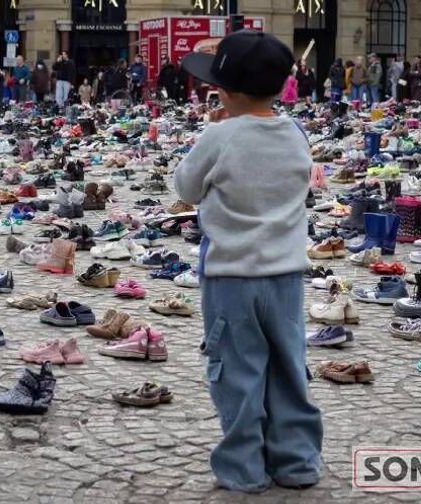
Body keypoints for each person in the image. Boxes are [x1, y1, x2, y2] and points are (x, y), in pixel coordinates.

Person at [175, 29, 322, 493]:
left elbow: (186, 189)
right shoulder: (295, 133)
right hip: (286, 275)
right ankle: (297, 462)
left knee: (238, 373)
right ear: (280, 88)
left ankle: (244, 468)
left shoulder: (219, 135)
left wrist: (215, 131)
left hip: (231, 277)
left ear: (227, 90)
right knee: (287, 366)